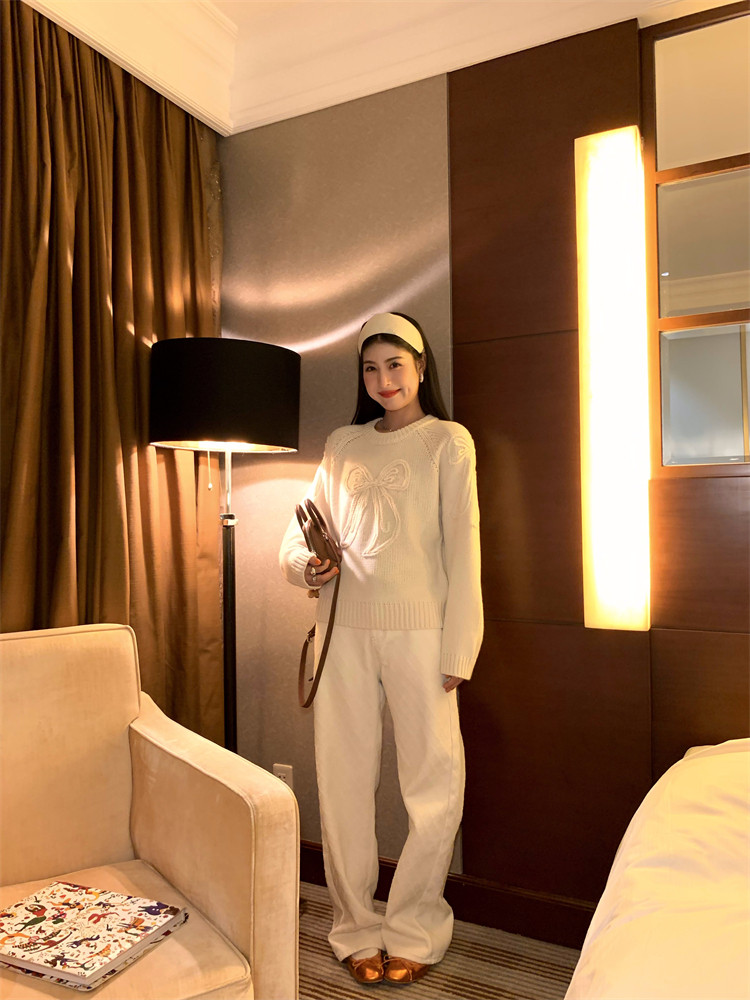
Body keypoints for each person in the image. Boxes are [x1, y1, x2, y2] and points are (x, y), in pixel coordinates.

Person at [279, 312, 483, 986]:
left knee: (433, 784)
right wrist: (308, 568)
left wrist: (460, 648)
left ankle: (416, 927)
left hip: (423, 637)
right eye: (371, 368)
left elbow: (464, 549)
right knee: (341, 783)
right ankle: (354, 928)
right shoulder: (343, 444)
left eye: (396, 364)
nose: (384, 379)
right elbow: (297, 536)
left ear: (421, 367)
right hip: (341, 634)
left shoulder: (448, 442)